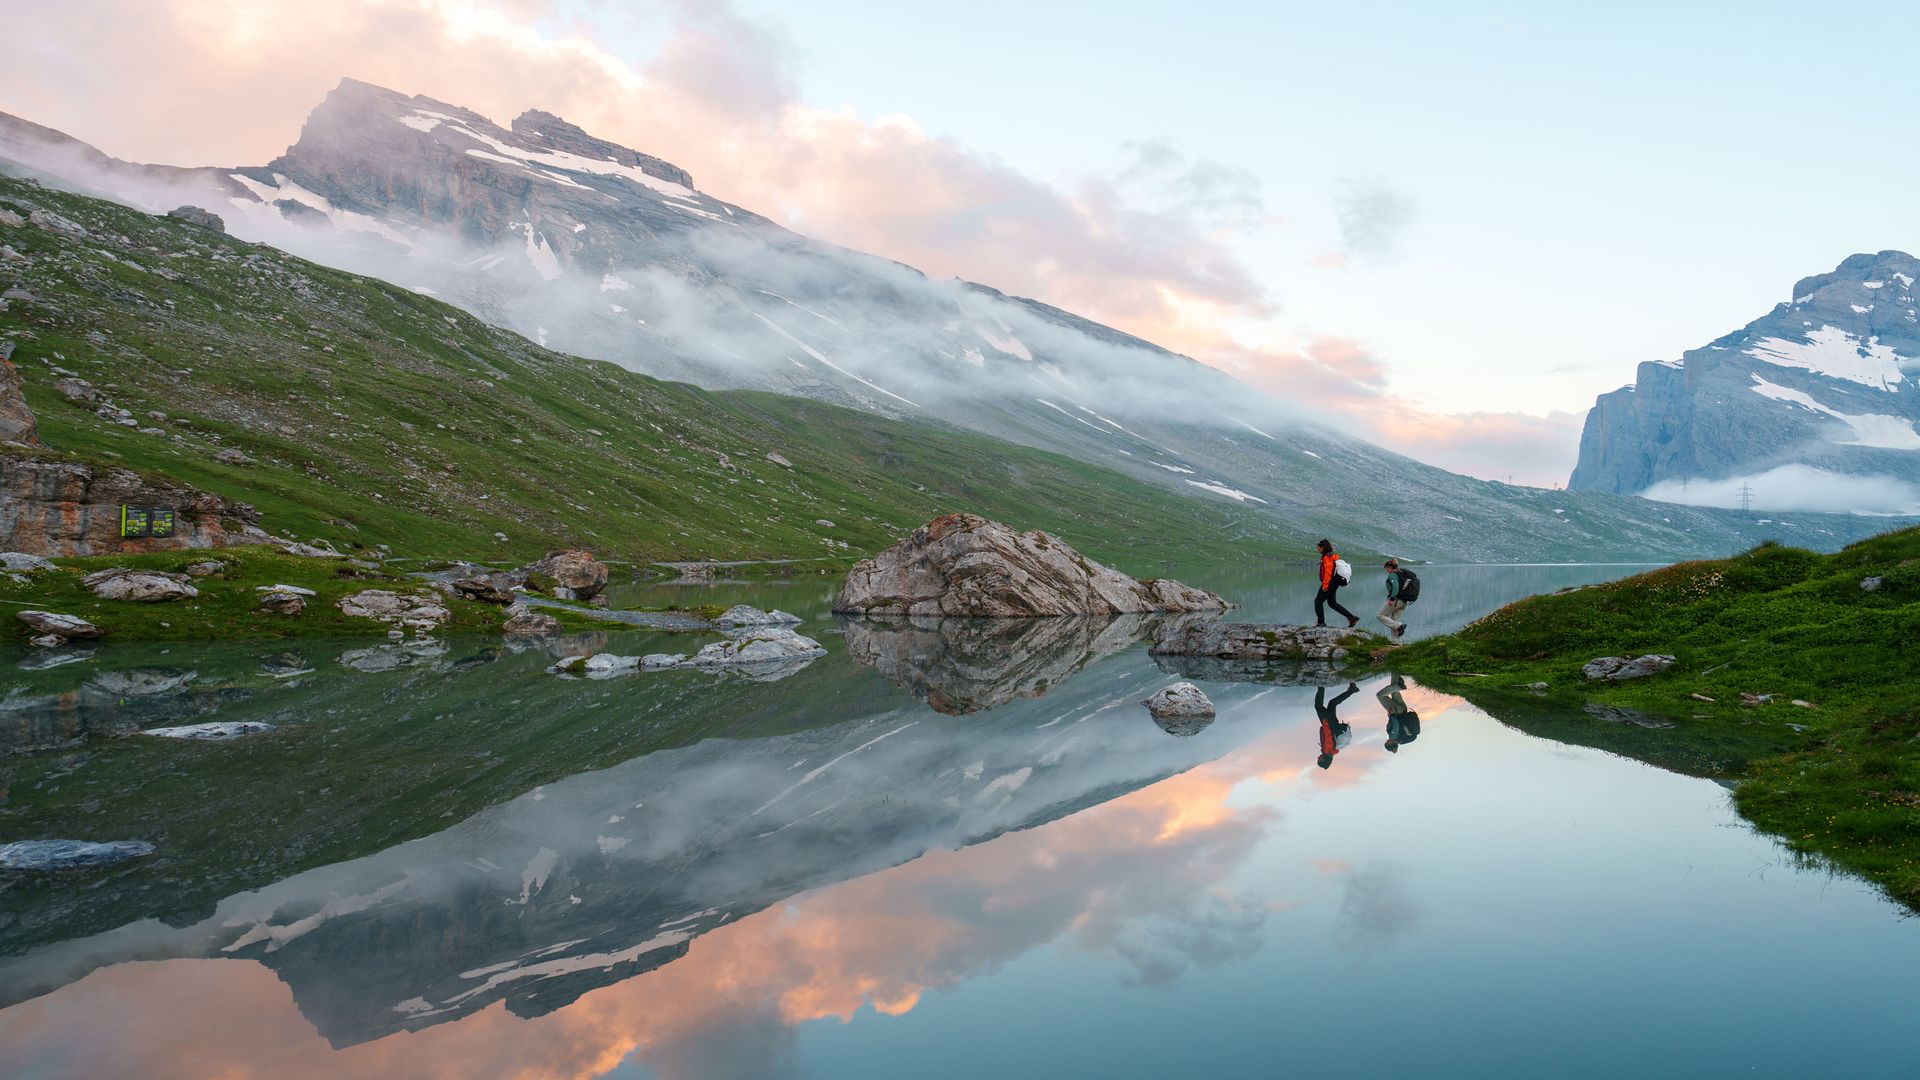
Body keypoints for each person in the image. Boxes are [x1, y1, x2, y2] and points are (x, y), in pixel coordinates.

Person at [1312, 539, 1358, 628]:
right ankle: (1351, 618)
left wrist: (1325, 586)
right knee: (1332, 603)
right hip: (1334, 583)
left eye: (1318, 547)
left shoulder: (1327, 557)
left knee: (1318, 602)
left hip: (1329, 583)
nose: (1317, 549)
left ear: (1322, 547)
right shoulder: (1332, 555)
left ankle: (1321, 622)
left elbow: (1328, 573)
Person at [1314, 682, 1358, 769]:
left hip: (1333, 723)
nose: (1318, 757)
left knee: (1332, 703)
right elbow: (1328, 736)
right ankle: (1321, 684)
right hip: (1328, 722)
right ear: (1324, 760)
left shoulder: (1332, 752)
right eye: (1319, 759)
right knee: (1318, 706)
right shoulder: (1327, 750)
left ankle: (1352, 690)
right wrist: (1325, 722)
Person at [1377, 674, 1422, 752]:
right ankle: (1399, 686)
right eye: (1387, 743)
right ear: (1391, 744)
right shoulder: (1393, 736)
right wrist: (1392, 715)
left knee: (1394, 691)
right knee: (1380, 695)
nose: (1386, 741)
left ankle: (1395, 669)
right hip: (1397, 712)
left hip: (1404, 710)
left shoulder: (1402, 739)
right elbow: (1396, 725)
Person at [1378, 558, 1410, 640]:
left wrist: (1392, 599)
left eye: (1386, 568)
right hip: (1404, 601)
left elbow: (1395, 587)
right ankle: (1397, 642)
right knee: (1394, 620)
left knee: (1380, 615)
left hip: (1396, 601)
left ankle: (1399, 626)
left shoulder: (1392, 575)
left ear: (1389, 567)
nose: (1386, 570)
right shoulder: (1401, 574)